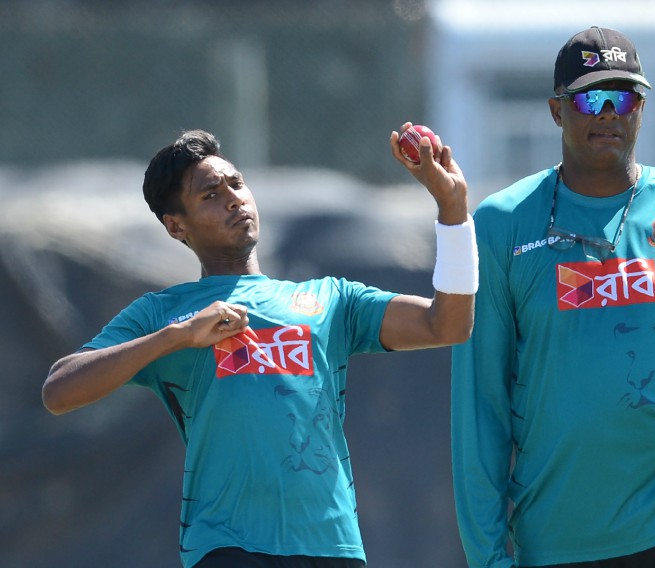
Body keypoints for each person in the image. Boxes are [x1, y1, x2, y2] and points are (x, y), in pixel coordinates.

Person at [41, 125, 478, 568]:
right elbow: (59, 390)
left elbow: (447, 324)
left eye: (237, 183)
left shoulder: (330, 299)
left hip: (331, 545)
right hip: (230, 547)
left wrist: (453, 209)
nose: (234, 198)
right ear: (176, 226)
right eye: (210, 194)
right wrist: (176, 337)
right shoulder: (164, 313)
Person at [450, 26, 655, 568]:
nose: (607, 113)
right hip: (559, 537)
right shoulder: (500, 224)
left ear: (641, 109)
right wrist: (487, 558)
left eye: (622, 97)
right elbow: (480, 407)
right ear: (557, 111)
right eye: (589, 98)